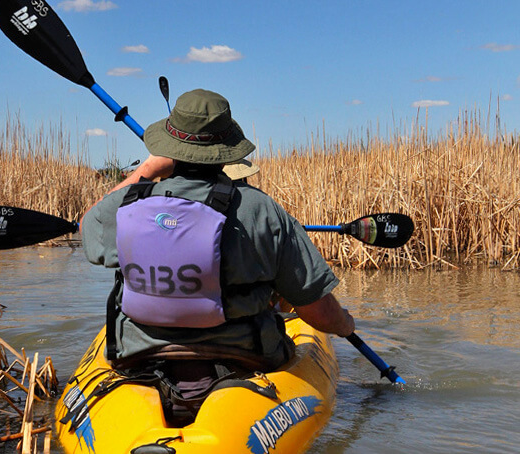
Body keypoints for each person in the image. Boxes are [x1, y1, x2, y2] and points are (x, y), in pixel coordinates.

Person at [80, 89, 354, 421]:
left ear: (169, 149)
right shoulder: (262, 210)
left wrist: (148, 170)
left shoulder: (128, 203)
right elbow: (319, 313)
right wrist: (344, 324)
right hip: (244, 360)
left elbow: (89, 226)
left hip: (138, 357)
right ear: (226, 153)